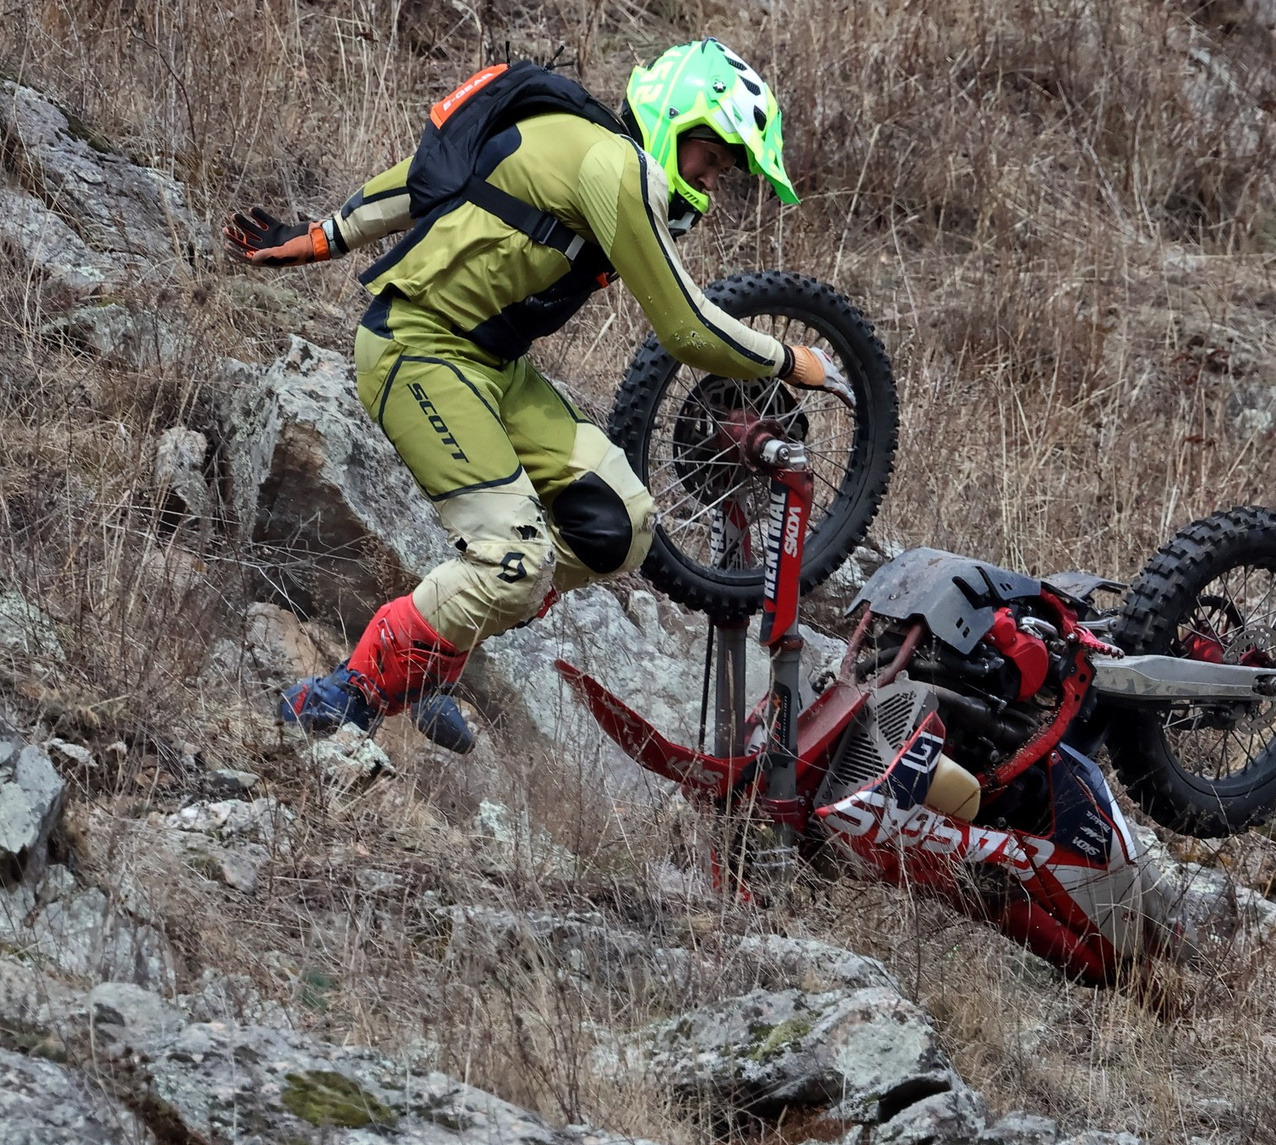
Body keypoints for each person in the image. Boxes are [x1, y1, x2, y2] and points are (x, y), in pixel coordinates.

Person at [225, 39, 848, 750]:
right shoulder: (613, 166)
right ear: (675, 119)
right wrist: (790, 360)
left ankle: (432, 656)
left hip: (493, 367)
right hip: (417, 348)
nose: (708, 180)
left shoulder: (587, 147)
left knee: (621, 525)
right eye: (709, 156)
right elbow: (685, 326)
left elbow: (433, 178)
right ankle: (346, 694)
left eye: (722, 171)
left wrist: (326, 235)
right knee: (513, 563)